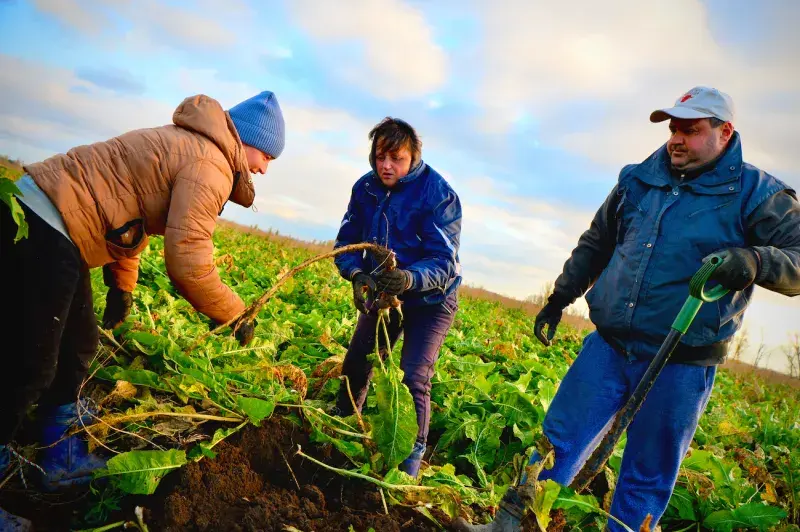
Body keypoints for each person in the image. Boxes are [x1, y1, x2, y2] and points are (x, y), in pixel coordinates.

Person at [453, 86, 800, 531]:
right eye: (674, 128)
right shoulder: (638, 179)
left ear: (724, 131)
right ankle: (508, 527)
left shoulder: (757, 193)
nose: (676, 138)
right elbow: (597, 242)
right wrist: (561, 296)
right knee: (554, 443)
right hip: (610, 346)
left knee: (645, 475)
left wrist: (755, 261)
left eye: (690, 130)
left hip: (682, 360)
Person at [0, 90, 285, 530]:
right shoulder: (210, 165)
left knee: (80, 344)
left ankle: (60, 454)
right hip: (43, 221)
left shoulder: (191, 145)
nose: (264, 168)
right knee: (30, 362)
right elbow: (188, 259)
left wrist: (123, 288)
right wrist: (236, 314)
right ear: (243, 139)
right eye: (265, 154)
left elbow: (125, 214)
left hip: (59, 222)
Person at [331, 117, 462, 477]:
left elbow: (443, 262)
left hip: (431, 301)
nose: (386, 166)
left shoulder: (438, 195)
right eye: (379, 157)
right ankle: (342, 426)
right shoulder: (366, 189)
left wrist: (408, 278)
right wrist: (357, 274)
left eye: (396, 158)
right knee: (359, 359)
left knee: (413, 376)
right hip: (384, 294)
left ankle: (409, 463)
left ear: (413, 157)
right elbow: (346, 243)